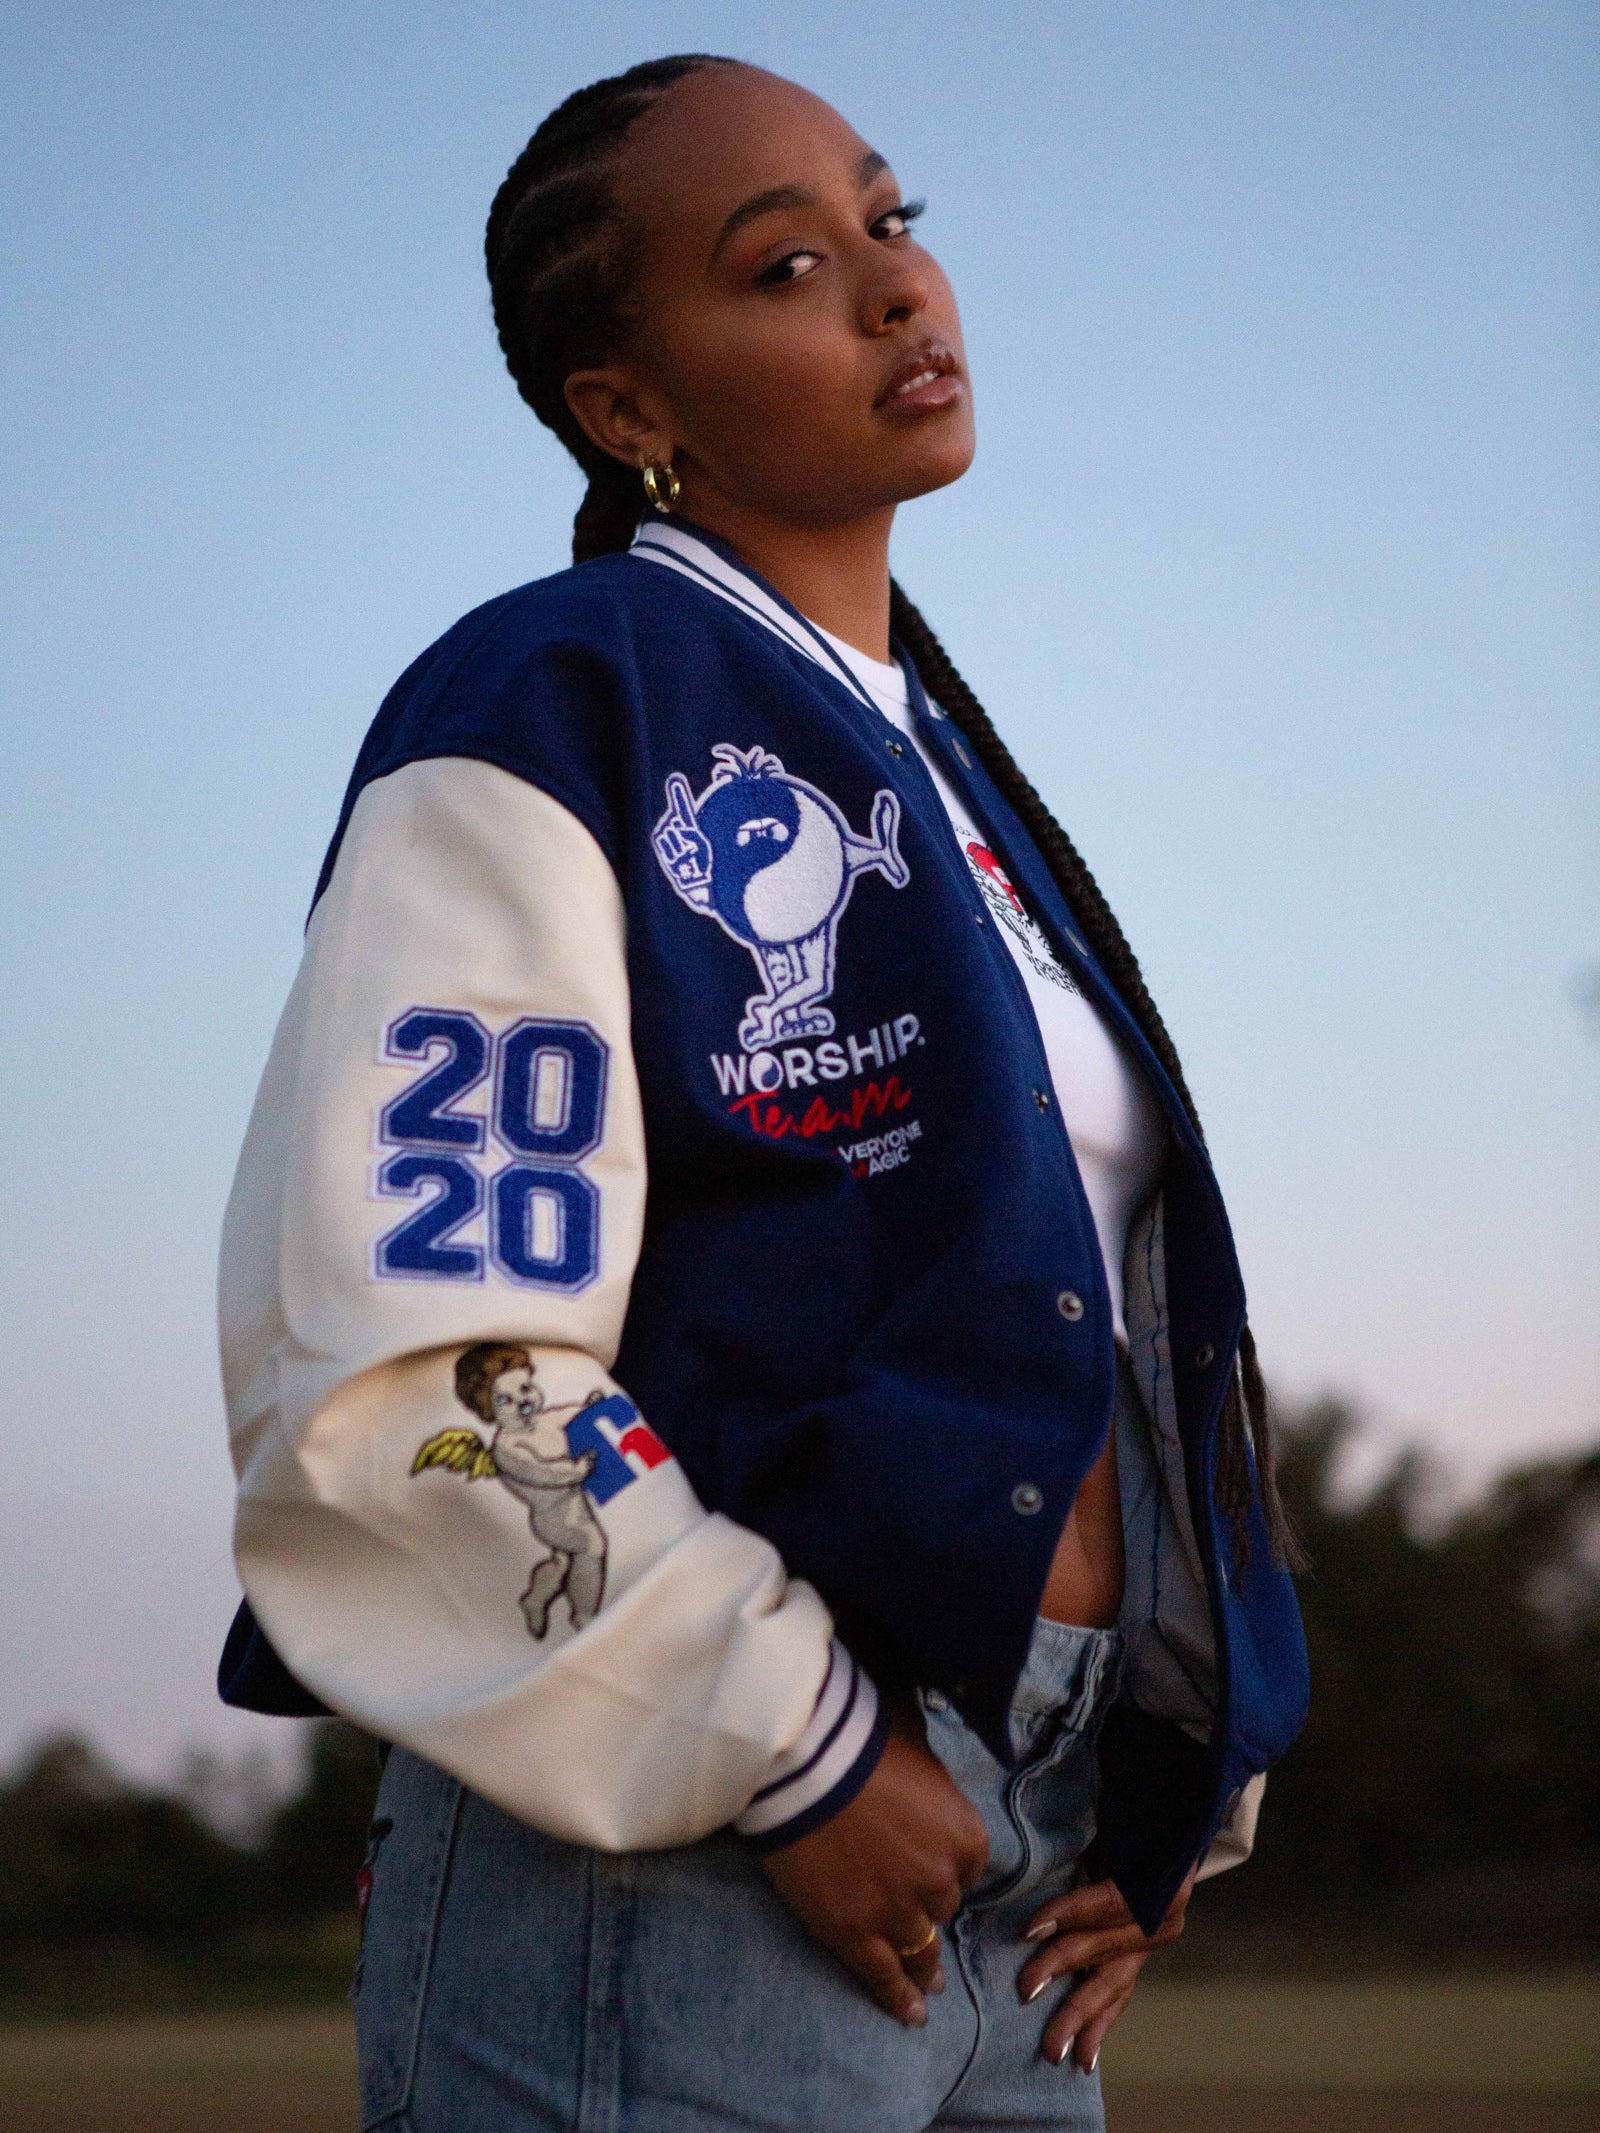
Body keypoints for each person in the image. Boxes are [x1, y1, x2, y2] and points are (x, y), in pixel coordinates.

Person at [215, 54, 1309, 2132]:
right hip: (692, 1837)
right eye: (789, 265)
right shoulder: (554, 695)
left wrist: (1172, 1749)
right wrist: (789, 1746)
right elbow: (421, 1345)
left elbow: (1114, 1313)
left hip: (1026, 1853)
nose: (896, 291)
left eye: (894, 221)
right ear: (624, 409)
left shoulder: (951, 782)